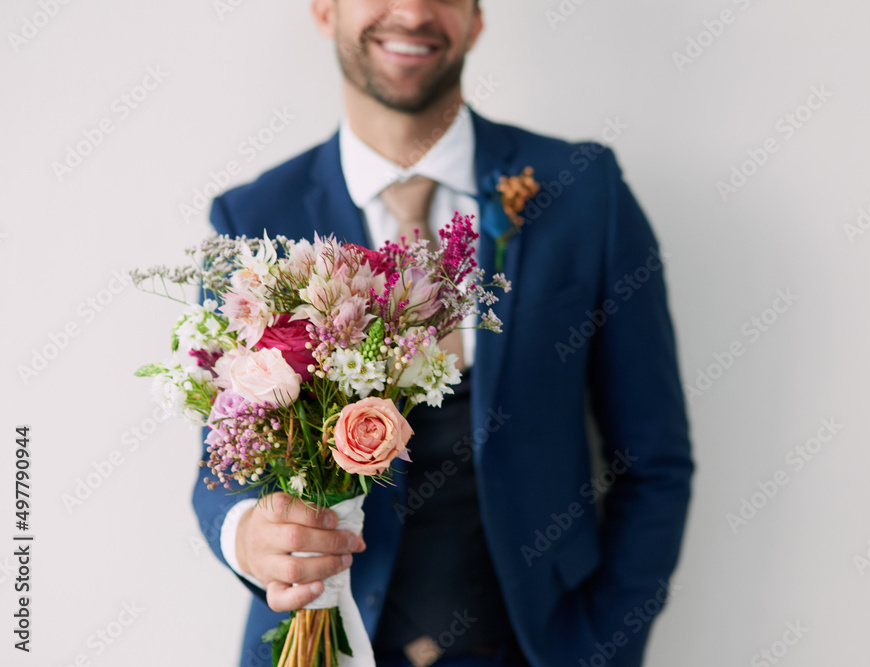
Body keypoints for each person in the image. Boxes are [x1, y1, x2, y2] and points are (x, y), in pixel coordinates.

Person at [191, 1, 694, 665]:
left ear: (477, 18)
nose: (413, 10)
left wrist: (603, 647)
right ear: (324, 11)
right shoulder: (253, 217)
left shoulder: (582, 191)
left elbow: (653, 461)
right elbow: (223, 461)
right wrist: (245, 532)